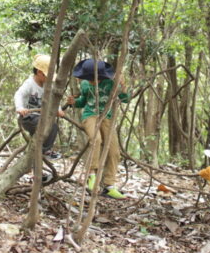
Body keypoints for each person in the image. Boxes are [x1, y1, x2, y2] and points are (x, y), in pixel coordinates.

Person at [67, 58, 129, 199]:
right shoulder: (84, 84)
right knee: (96, 139)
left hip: (107, 116)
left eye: (92, 79)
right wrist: (73, 102)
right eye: (87, 79)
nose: (90, 82)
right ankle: (91, 175)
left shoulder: (110, 83)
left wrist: (123, 87)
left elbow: (125, 99)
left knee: (114, 151)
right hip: (90, 115)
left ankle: (109, 186)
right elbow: (83, 102)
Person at [14, 54, 63, 160]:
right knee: (49, 126)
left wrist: (58, 110)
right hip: (28, 118)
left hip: (41, 118)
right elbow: (19, 94)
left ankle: (39, 174)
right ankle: (46, 151)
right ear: (39, 73)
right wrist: (20, 108)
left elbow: (53, 100)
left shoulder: (47, 86)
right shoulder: (30, 84)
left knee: (46, 132)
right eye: (47, 75)